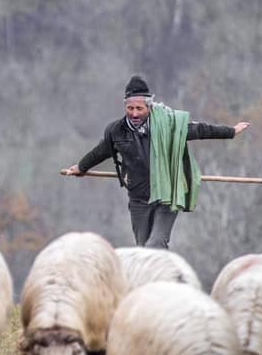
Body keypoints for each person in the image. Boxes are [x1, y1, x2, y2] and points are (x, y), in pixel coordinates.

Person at [60, 75, 250, 249]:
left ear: (149, 107)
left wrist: (231, 131)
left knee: (156, 244)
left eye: (139, 109)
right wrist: (81, 167)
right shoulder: (116, 131)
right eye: (130, 108)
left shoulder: (169, 125)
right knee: (142, 249)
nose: (134, 114)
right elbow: (101, 151)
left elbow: (200, 130)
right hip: (138, 199)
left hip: (166, 196)